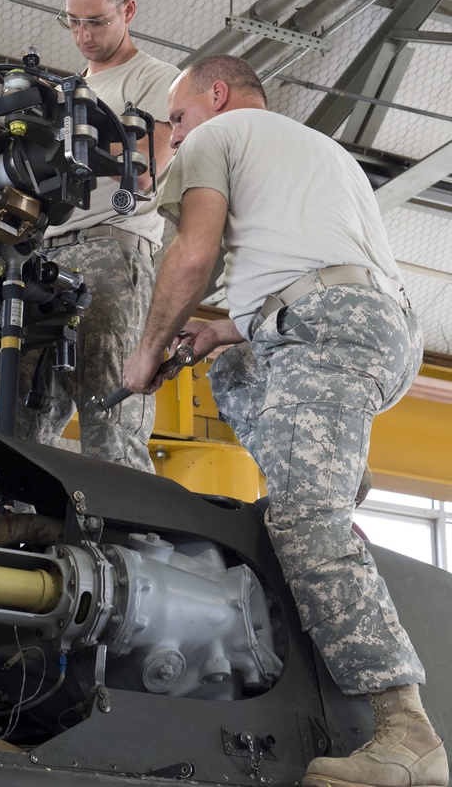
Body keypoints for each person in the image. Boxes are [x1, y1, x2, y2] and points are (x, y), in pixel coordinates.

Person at [123, 54, 447, 787]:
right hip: (373, 330)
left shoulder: (217, 136)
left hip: (326, 331)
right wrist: (220, 331)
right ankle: (325, 459)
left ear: (216, 93)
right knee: (230, 368)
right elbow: (322, 266)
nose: (173, 136)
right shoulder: (316, 151)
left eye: (176, 118)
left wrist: (144, 353)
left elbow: (193, 254)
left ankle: (407, 728)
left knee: (302, 520)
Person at [0, 0, 179, 472]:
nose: (83, 34)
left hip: (112, 248)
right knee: (1, 420)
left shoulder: (156, 80)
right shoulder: (65, 96)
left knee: (110, 418)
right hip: (38, 254)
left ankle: (124, 539)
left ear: (127, 11)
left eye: (96, 21)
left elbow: (147, 163)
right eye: (73, 20)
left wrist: (60, 156)